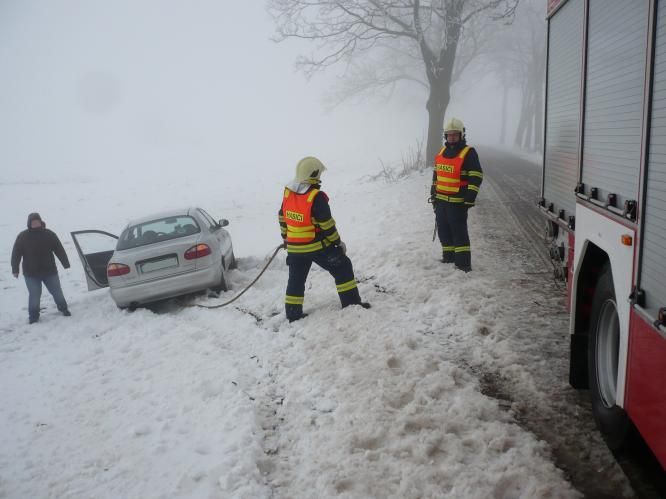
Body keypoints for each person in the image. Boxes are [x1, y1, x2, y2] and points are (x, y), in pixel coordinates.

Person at [278, 156, 370, 322]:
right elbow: (327, 225)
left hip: (294, 248)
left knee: (296, 280)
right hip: (316, 246)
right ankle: (351, 304)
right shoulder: (315, 197)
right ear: (313, 174)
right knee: (343, 266)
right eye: (319, 174)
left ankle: (293, 314)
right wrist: (337, 244)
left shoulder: (288, 193)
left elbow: (282, 217)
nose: (320, 177)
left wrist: (286, 237)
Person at [430, 118, 484, 272]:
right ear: (445, 136)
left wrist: (470, 197)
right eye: (449, 135)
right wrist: (433, 193)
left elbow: (476, 175)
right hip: (441, 201)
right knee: (443, 231)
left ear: (461, 135)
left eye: (455, 135)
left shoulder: (468, 152)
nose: (452, 137)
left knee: (459, 233)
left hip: (458, 202)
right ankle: (448, 258)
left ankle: (463, 264)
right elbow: (436, 175)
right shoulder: (441, 152)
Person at [11, 213, 71, 324]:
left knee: (57, 292)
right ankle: (33, 316)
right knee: (34, 295)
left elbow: (59, 249)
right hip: (31, 274)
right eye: (33, 222)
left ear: (40, 222)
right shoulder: (23, 236)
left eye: (37, 221)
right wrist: (15, 269)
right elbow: (16, 254)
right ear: (29, 224)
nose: (35, 224)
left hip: (49, 271)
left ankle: (63, 308)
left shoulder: (49, 234)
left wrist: (65, 263)